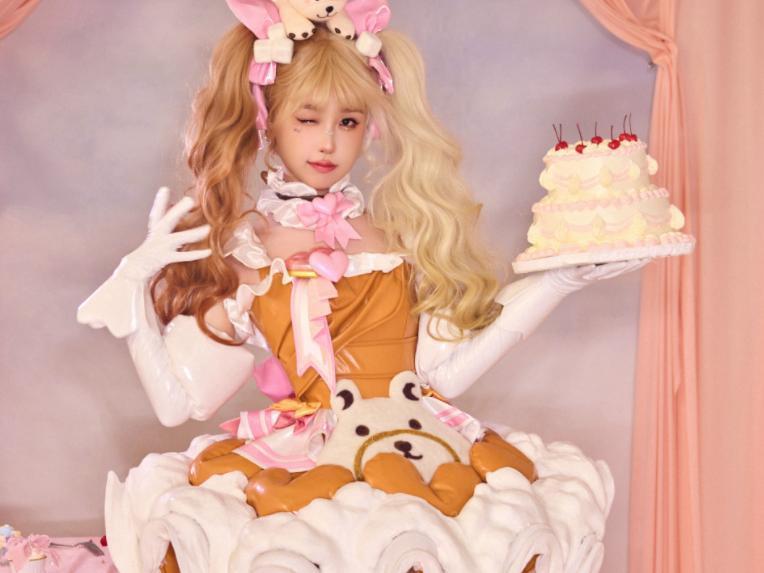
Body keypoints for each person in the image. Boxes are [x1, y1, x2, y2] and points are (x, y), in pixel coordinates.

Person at [77, 2, 646, 571]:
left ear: (369, 125)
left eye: (347, 122)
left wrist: (556, 282)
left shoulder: (400, 236)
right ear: (266, 120)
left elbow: (445, 376)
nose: (328, 143)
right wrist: (133, 285)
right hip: (314, 457)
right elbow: (181, 404)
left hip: (425, 448)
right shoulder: (247, 255)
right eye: (307, 119)